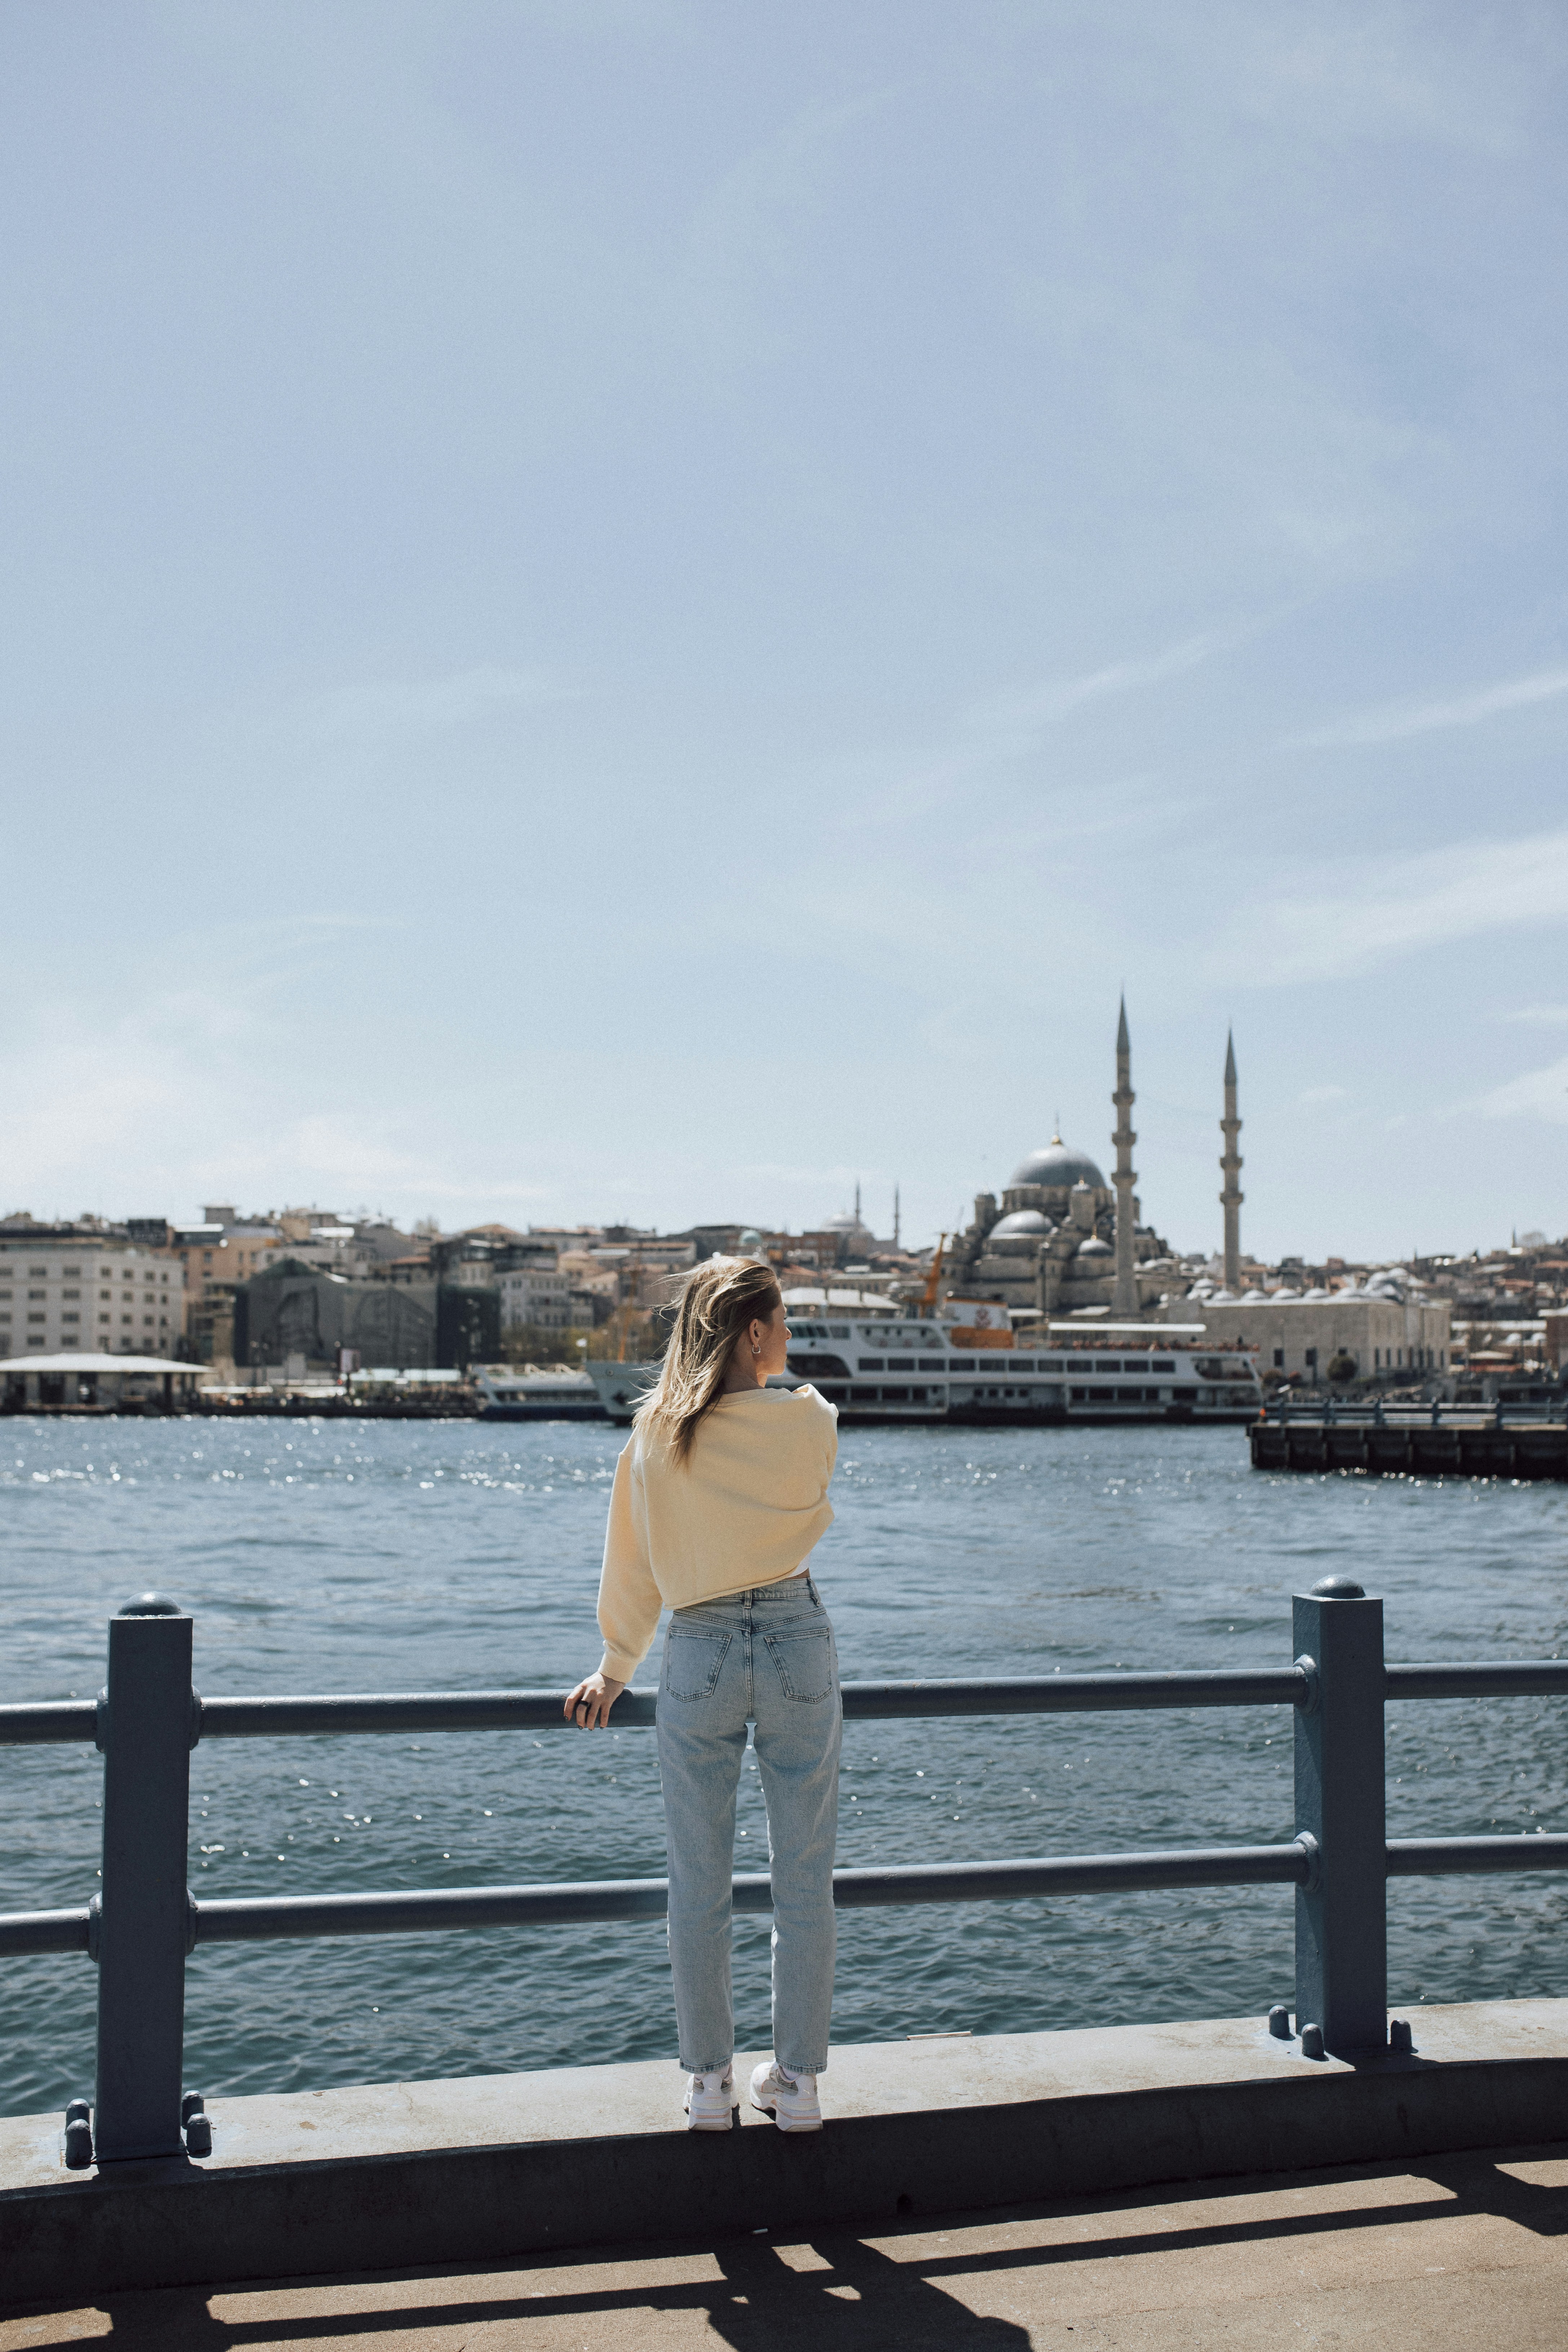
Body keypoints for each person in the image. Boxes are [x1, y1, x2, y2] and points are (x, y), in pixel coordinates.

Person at [564, 1256, 841, 2134]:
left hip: (699, 1649)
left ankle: (710, 2084)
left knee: (698, 1881)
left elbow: (634, 1560)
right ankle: (796, 2085)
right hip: (796, 1638)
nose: (791, 1337)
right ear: (753, 1333)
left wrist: (617, 1664)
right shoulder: (810, 1419)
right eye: (783, 1322)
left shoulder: (655, 1431)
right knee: (804, 1878)